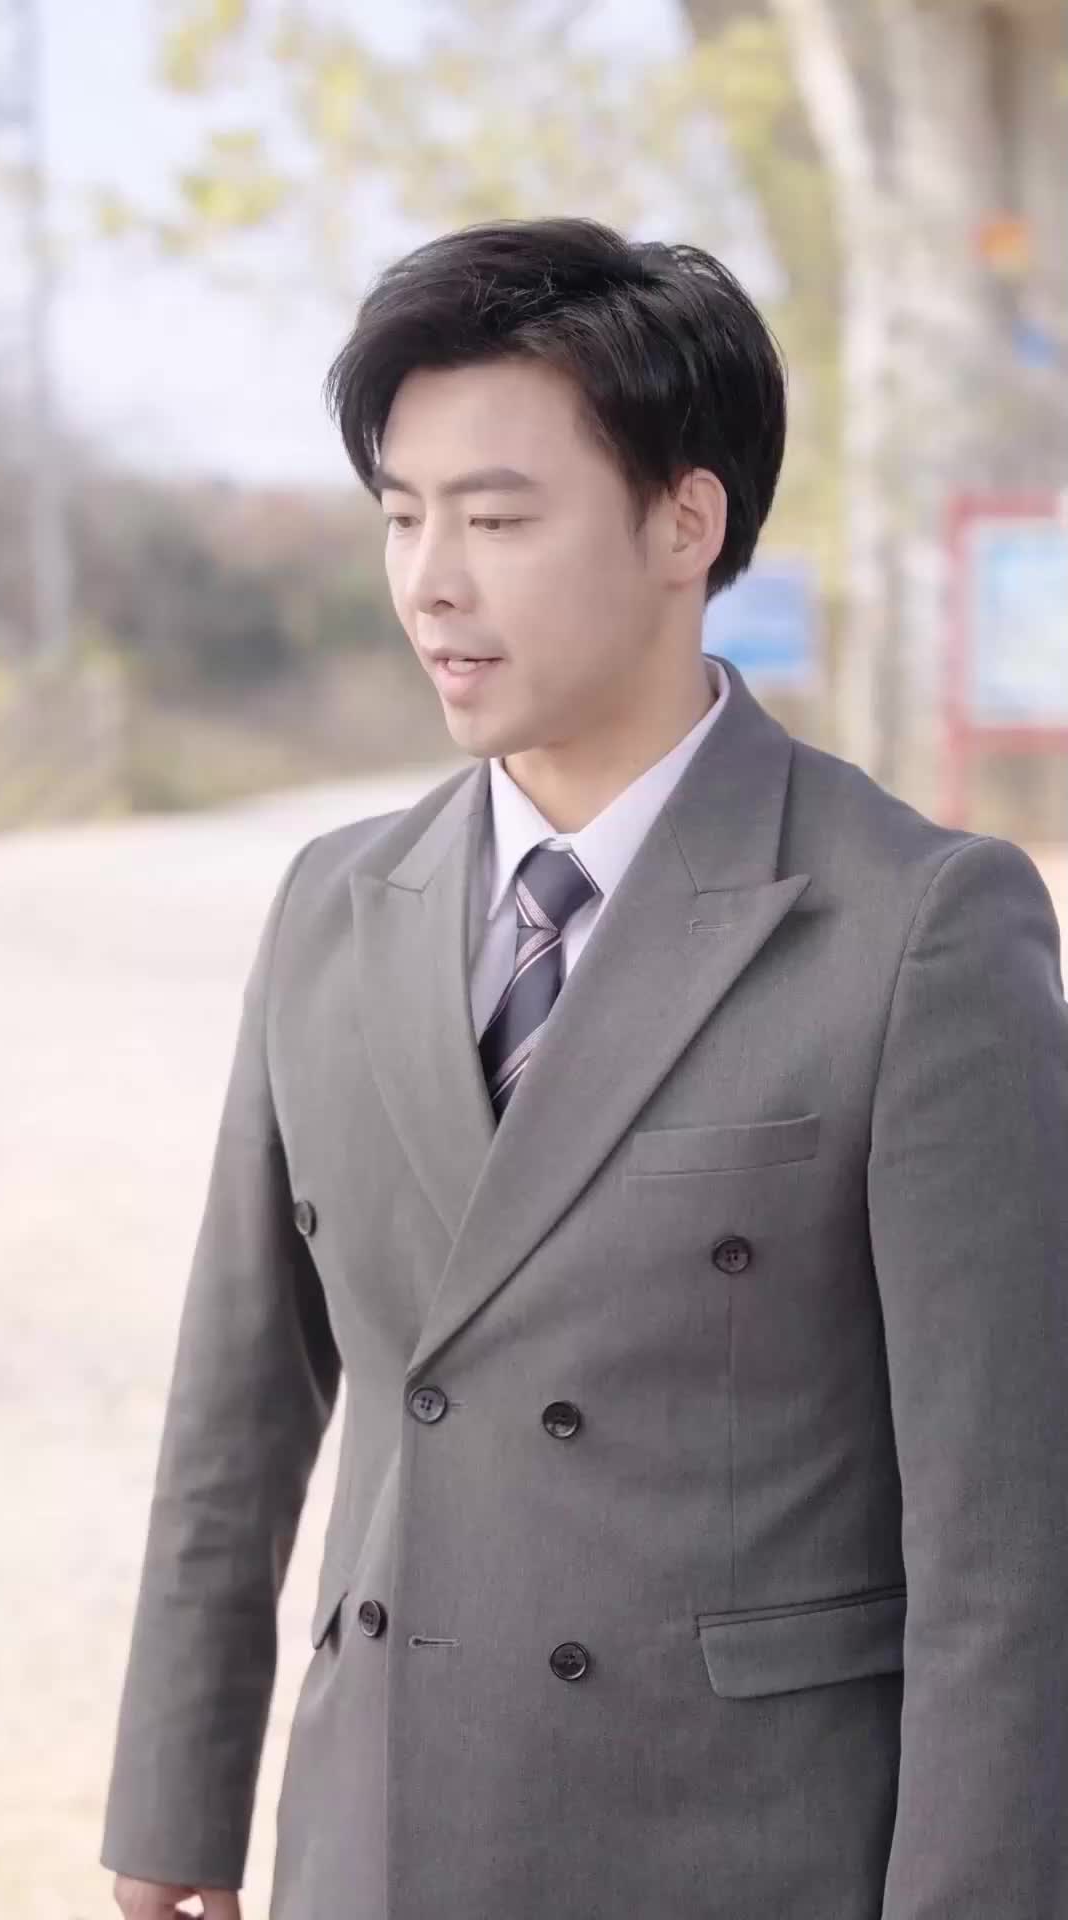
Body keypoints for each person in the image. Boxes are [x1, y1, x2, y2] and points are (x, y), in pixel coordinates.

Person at [100, 216, 1068, 1920]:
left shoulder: (915, 926)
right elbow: (235, 1417)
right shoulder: (334, 902)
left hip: (740, 1853)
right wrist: (177, 1810)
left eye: (496, 518)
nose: (431, 581)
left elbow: (1008, 1537)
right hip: (378, 1837)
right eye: (401, 515)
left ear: (686, 523)